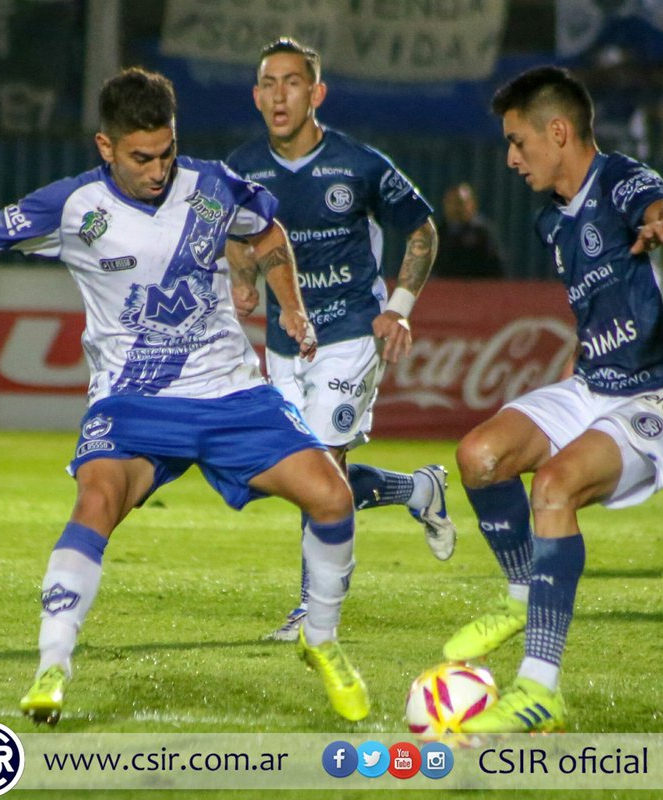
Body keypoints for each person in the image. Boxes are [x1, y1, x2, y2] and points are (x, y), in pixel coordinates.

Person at [0, 68, 372, 723]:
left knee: (332, 495)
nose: (158, 169)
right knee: (98, 497)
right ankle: (52, 666)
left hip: (230, 393)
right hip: (132, 402)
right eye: (141, 157)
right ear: (105, 147)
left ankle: (322, 639)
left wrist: (292, 308)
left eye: (166, 151)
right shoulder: (72, 205)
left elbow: (267, 233)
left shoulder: (216, 186)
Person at [441, 66, 663, 733]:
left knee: (556, 487)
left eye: (517, 142)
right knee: (479, 455)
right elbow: (594, 320)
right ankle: (520, 593)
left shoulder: (622, 181)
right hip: (595, 384)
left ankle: (539, 689)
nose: (509, 158)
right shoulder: (551, 224)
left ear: (558, 132)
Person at [224, 38, 456, 642]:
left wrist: (399, 310)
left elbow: (423, 231)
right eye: (268, 83)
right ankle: (417, 489)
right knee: (303, 476)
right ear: (255, 96)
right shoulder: (241, 169)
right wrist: (243, 281)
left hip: (351, 333)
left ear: (316, 93)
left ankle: (312, 608)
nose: (279, 94)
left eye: (292, 82)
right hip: (281, 342)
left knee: (323, 466)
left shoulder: (359, 164)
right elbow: (234, 234)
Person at [433, 182, 507, 279]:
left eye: (460, 203)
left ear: (472, 204)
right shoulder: (440, 232)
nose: (455, 208)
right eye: (451, 202)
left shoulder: (482, 232)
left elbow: (497, 267)